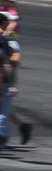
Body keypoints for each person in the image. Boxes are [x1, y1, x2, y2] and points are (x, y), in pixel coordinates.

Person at [0, 11, 20, 148]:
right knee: (3, 112)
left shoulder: (6, 40)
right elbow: (8, 63)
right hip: (4, 82)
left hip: (4, 82)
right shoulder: (4, 40)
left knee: (3, 112)